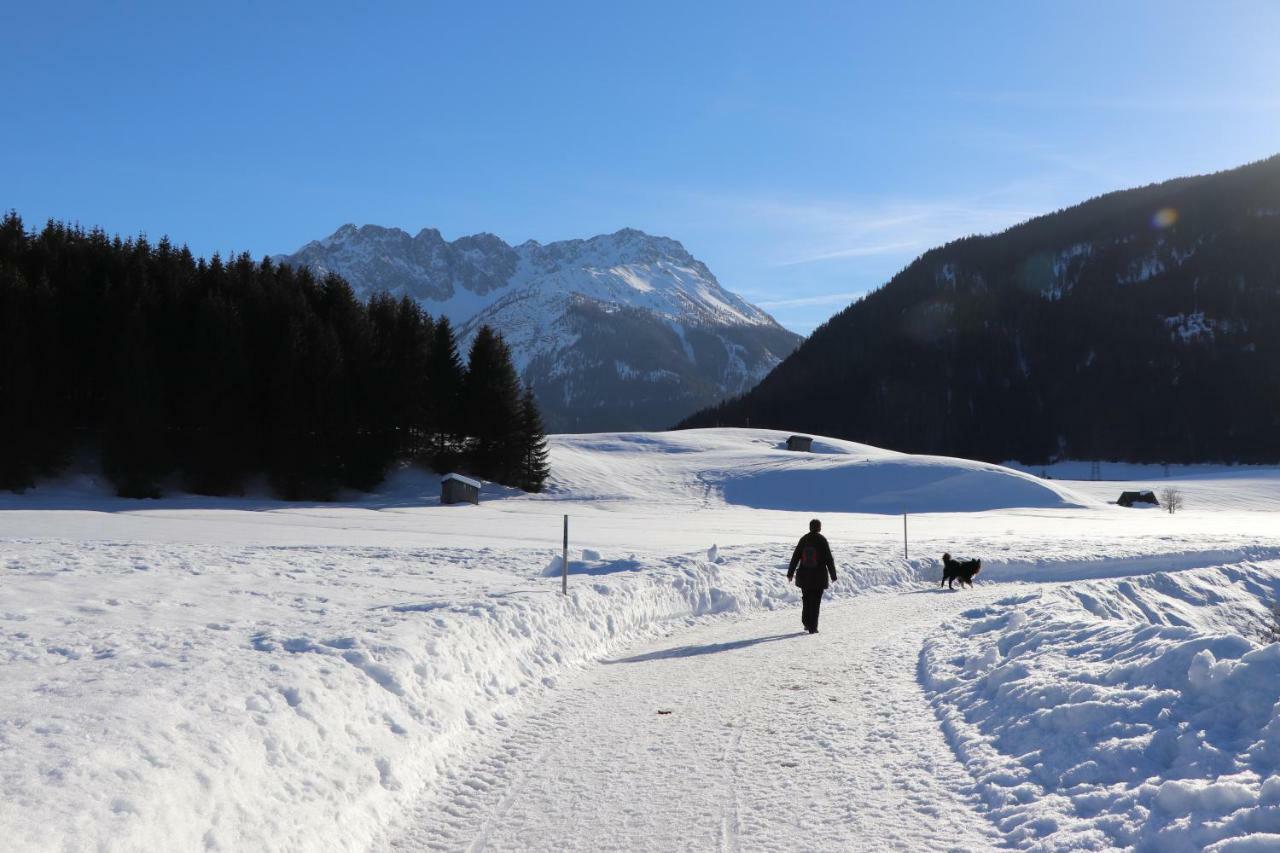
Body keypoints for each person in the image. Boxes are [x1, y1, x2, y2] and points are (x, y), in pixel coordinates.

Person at [787, 518, 837, 634]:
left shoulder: (804, 539)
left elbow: (795, 557)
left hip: (804, 576)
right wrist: (833, 575)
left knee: (806, 599)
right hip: (819, 576)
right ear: (819, 528)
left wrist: (790, 573)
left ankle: (806, 622)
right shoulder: (822, 540)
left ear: (810, 527)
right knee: (816, 602)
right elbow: (829, 559)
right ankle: (813, 627)